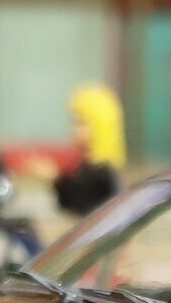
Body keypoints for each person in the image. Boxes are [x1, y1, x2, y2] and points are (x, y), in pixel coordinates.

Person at [23, 84, 126, 217]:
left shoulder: (103, 174)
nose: (74, 129)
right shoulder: (87, 166)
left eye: (81, 123)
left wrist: (54, 178)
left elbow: (80, 198)